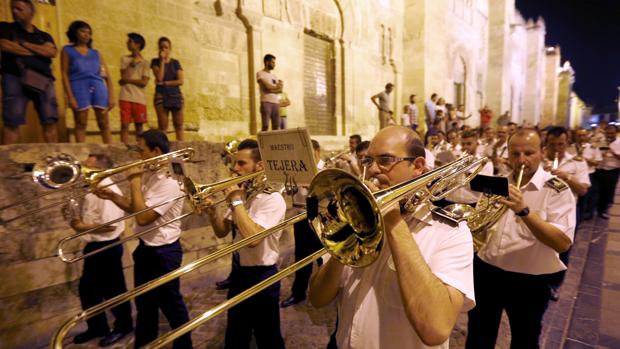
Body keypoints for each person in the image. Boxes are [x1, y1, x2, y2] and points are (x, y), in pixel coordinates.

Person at [309, 125, 475, 349]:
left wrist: (392, 222)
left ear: (417, 166)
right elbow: (318, 299)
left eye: (385, 160)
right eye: (368, 161)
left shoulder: (450, 232)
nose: (373, 170)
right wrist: (346, 238)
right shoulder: (355, 220)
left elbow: (435, 329)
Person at [466, 129, 575, 349]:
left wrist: (524, 211)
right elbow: (479, 225)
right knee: (479, 334)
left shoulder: (555, 190)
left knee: (525, 338)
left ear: (542, 152)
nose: (521, 160)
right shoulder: (497, 184)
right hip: (487, 271)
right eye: (515, 154)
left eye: (529, 153)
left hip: (530, 279)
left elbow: (562, 242)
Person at [95, 130, 192, 349]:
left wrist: (134, 182)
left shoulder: (170, 181)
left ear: (155, 151)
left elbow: (144, 217)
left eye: (140, 150)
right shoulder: (150, 175)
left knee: (172, 306)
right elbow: (136, 207)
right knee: (145, 305)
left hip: (164, 252)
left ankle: (184, 345)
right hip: (147, 248)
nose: (138, 155)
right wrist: (114, 196)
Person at [205, 139, 286, 349]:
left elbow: (253, 239)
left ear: (259, 166)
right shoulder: (244, 195)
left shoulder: (273, 199)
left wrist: (235, 199)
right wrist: (212, 212)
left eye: (241, 163)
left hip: (263, 276)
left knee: (268, 337)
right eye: (235, 163)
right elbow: (222, 231)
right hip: (240, 273)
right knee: (236, 334)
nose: (235, 168)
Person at [70, 154, 133, 346]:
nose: (84, 169)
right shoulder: (93, 187)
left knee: (114, 290)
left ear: (101, 169)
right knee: (88, 291)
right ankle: (98, 327)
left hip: (107, 247)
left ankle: (124, 326)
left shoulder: (108, 189)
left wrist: (80, 226)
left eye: (88, 166)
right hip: (95, 245)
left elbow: (110, 226)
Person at [0, 0, 59, 144]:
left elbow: (51, 52)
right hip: (14, 77)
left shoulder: (44, 35)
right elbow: (5, 46)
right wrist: (39, 51)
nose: (15, 11)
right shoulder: (5, 28)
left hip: (44, 80)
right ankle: (6, 164)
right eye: (13, 9)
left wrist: (23, 44)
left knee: (49, 121)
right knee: (12, 122)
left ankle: (55, 161)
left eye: (19, 9)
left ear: (31, 12)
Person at [542, 126, 590, 301]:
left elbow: (583, 190)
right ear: (546, 144)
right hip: (540, 209)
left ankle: (554, 284)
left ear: (566, 143)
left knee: (562, 248)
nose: (556, 149)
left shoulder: (577, 162)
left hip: (566, 212)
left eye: (560, 144)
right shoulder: (538, 160)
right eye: (552, 144)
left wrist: (567, 177)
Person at [281, 139, 325, 308]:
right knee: (301, 259)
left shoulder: (326, 169)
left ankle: (326, 291)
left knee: (323, 259)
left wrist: (313, 186)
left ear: (317, 152)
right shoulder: (299, 169)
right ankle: (298, 293)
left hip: (320, 220)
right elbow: (292, 192)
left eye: (310, 155)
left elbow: (329, 195)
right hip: (300, 219)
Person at [61, 20, 114, 143]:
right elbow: (64, 74)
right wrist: (70, 96)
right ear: (75, 32)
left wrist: (111, 96)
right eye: (83, 31)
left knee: (104, 122)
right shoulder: (67, 50)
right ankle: (82, 154)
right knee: (81, 122)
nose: (86, 35)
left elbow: (107, 76)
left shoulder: (96, 53)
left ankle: (110, 150)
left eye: (89, 32)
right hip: (78, 86)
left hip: (98, 86)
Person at [443, 130, 494, 207]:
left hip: (470, 203)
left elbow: (484, 187)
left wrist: (465, 170)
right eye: (463, 144)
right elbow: (445, 182)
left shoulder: (486, 163)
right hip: (449, 200)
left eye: (469, 144)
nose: (465, 147)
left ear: (476, 143)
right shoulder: (456, 158)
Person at [151, 37, 184, 141]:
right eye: (161, 47)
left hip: (176, 95)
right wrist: (162, 61)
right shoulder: (155, 62)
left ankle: (181, 150)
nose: (163, 50)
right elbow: (159, 77)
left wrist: (165, 83)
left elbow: (180, 81)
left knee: (179, 125)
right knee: (163, 126)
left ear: (170, 49)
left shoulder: (175, 63)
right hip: (161, 96)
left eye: (166, 47)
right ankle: (163, 150)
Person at [119, 33, 150, 144]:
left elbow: (144, 82)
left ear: (137, 44)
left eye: (130, 42)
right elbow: (124, 76)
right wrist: (132, 63)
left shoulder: (145, 62)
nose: (127, 44)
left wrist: (128, 81)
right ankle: (124, 146)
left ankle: (140, 147)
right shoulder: (125, 59)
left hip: (139, 98)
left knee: (139, 126)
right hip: (125, 96)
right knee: (124, 124)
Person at [570, 128, 602, 220]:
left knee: (586, 197)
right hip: (574, 175)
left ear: (587, 136)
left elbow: (597, 163)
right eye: (579, 135)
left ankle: (583, 215)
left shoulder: (592, 147)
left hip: (589, 174)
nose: (581, 137)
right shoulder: (570, 147)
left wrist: (583, 159)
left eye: (583, 135)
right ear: (575, 136)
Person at [592, 125, 620, 219]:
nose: (609, 135)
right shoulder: (601, 142)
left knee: (607, 191)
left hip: (612, 171)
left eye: (612, 133)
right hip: (598, 169)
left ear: (616, 133)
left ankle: (602, 210)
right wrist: (600, 155)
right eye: (607, 133)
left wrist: (613, 153)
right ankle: (592, 210)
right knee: (595, 190)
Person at [257, 54, 283, 131]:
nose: (274, 64)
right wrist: (275, 88)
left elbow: (280, 90)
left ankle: (275, 142)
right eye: (272, 62)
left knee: (276, 126)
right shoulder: (260, 73)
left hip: (276, 103)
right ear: (267, 62)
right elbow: (266, 87)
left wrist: (271, 89)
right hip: (266, 102)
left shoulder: (274, 76)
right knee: (265, 125)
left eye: (274, 62)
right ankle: (263, 143)